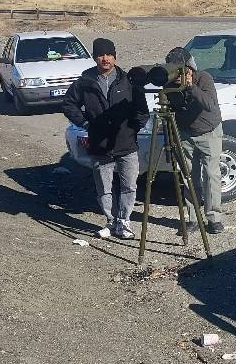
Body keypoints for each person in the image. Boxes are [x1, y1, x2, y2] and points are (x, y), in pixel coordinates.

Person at [61, 38, 149, 239]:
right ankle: (110, 221)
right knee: (104, 188)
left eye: (109, 54)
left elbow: (142, 110)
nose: (105, 58)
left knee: (129, 186)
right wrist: (84, 124)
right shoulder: (85, 82)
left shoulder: (128, 81)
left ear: (115, 57)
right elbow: (68, 104)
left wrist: (132, 128)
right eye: (100, 54)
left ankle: (124, 222)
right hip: (100, 144)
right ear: (94, 57)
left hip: (126, 144)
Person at [164, 47, 225, 235]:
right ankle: (193, 218)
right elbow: (168, 113)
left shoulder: (203, 78)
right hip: (185, 134)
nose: (177, 74)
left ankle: (214, 218)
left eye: (181, 69)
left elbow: (210, 105)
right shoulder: (170, 84)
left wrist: (191, 87)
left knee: (211, 175)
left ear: (190, 67)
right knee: (188, 176)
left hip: (209, 132)